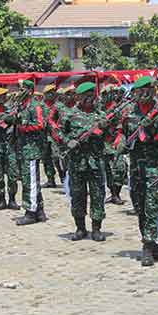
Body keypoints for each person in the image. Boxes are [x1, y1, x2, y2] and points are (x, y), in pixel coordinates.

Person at [116, 76, 158, 267]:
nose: (143, 95)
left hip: (154, 165)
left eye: (147, 91)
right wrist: (120, 141)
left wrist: (151, 133)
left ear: (153, 91)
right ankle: (157, 242)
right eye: (139, 92)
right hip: (135, 165)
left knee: (152, 205)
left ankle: (147, 246)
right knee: (139, 206)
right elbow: (120, 131)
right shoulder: (129, 111)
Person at [59, 82, 107, 241]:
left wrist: (104, 130)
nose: (89, 98)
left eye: (91, 94)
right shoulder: (69, 115)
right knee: (77, 194)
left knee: (97, 194)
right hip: (77, 162)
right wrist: (68, 142)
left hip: (95, 160)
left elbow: (110, 136)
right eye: (85, 95)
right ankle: (80, 228)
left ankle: (96, 228)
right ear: (78, 97)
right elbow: (58, 133)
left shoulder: (101, 115)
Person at [14, 80, 47, 226]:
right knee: (31, 181)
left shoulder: (35, 105)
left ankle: (30, 212)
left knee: (30, 181)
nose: (18, 91)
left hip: (32, 149)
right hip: (24, 147)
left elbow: (40, 124)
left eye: (21, 89)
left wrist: (23, 128)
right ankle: (39, 211)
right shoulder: (23, 105)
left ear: (28, 90)